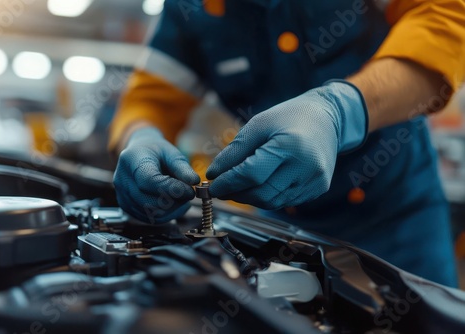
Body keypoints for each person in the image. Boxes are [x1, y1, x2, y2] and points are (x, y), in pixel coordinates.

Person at [109, 0, 465, 287]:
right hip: (279, 227)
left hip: (400, 225)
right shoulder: (189, 8)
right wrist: (140, 136)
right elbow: (149, 100)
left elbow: (447, 19)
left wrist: (342, 110)